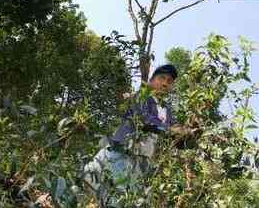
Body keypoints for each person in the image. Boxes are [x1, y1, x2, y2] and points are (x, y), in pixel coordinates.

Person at [82, 64, 192, 207]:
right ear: (152, 81)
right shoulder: (142, 96)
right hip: (120, 152)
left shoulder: (167, 111)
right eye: (162, 78)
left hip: (141, 162)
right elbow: (144, 120)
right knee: (88, 178)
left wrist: (189, 134)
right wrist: (171, 130)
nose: (165, 83)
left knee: (120, 200)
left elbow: (178, 139)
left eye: (170, 81)